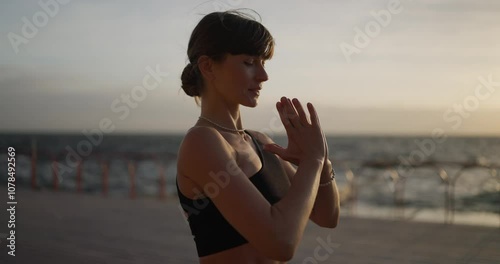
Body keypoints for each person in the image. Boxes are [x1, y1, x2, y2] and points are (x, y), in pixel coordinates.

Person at [176, 10, 340, 264]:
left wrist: (321, 163)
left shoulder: (260, 141)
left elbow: (327, 216)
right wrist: (312, 162)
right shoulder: (202, 142)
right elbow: (281, 243)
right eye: (249, 62)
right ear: (208, 66)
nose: (263, 76)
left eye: (263, 63)